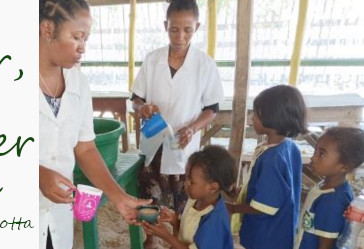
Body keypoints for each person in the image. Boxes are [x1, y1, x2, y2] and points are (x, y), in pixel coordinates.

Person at [39, 1, 150, 248]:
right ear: (47, 29)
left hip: (57, 212)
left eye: (86, 39)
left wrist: (118, 197)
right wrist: (37, 174)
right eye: (77, 37)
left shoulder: (78, 83)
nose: (83, 48)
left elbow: (85, 148)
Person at [131, 0, 223, 246]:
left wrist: (193, 128)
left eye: (187, 30)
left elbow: (212, 109)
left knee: (183, 195)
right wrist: (143, 109)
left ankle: (178, 238)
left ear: (197, 27)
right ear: (165, 26)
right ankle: (150, 237)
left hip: (184, 143)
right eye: (174, 29)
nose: (180, 36)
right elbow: (136, 98)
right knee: (151, 194)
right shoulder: (152, 60)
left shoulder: (205, 65)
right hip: (154, 142)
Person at [226, 85, 308, 249]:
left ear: (273, 118)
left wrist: (233, 208)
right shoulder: (289, 147)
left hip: (265, 236)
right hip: (282, 230)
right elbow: (276, 190)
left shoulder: (271, 159)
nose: (251, 119)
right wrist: (242, 191)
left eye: (255, 115)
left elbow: (265, 207)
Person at [141, 145, 236, 249]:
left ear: (213, 187)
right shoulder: (193, 200)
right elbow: (190, 232)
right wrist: (174, 220)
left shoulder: (214, 220)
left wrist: (166, 236)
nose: (186, 184)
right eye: (186, 178)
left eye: (192, 181)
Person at [294, 127, 364, 249]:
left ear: (344, 166)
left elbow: (325, 245)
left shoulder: (332, 202)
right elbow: (313, 200)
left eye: (321, 154)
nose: (313, 158)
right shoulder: (325, 186)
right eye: (315, 151)